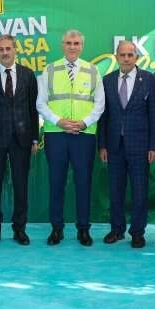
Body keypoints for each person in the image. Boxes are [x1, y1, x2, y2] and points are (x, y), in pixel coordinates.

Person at [37, 29, 105, 246]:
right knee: (56, 182)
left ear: (82, 46)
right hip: (56, 134)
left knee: (83, 183)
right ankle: (56, 229)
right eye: (68, 43)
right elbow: (40, 103)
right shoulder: (49, 70)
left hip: (84, 135)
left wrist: (84, 123)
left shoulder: (93, 70)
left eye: (76, 43)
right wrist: (59, 121)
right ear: (62, 45)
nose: (72, 47)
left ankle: (83, 229)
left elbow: (100, 104)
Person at [98, 41, 155, 247]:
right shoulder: (107, 80)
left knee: (140, 191)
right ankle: (117, 230)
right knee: (115, 190)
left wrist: (154, 146)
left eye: (130, 55)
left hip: (140, 145)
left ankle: (137, 233)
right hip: (114, 145)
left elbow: (154, 114)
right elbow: (104, 116)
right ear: (116, 57)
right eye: (122, 55)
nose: (126, 58)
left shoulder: (149, 79)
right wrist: (102, 145)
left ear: (136, 57)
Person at [0, 34, 39, 246]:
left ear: (15, 50)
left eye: (8, 48)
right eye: (1, 49)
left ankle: (19, 230)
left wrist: (34, 138)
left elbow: (33, 109)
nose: (5, 52)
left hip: (22, 140)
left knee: (21, 187)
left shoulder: (28, 75)